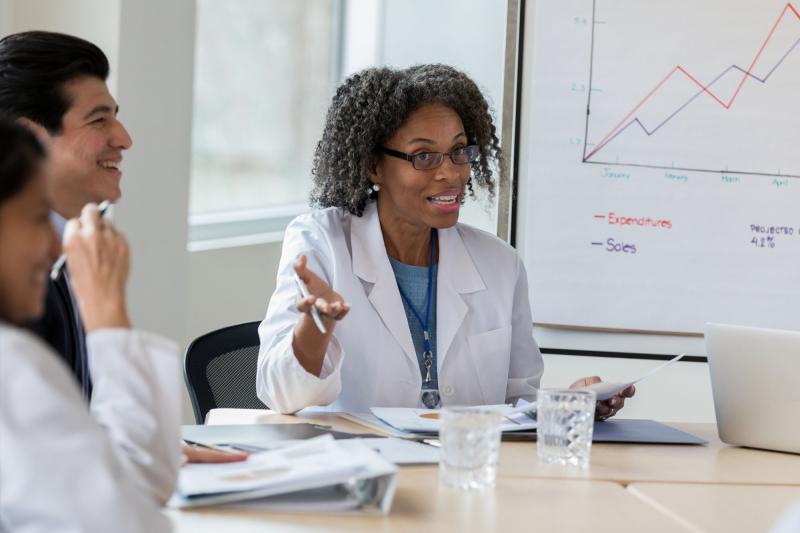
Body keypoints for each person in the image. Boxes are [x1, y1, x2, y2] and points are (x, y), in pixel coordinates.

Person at [257, 64, 635, 416]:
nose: (451, 173)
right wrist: (318, 325)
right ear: (373, 165)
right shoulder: (321, 242)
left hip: (464, 472)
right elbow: (280, 395)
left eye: (458, 151)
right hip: (361, 475)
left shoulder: (501, 265)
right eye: (424, 156)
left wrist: (565, 407)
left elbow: (517, 404)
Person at [0, 31, 245, 464]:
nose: (124, 138)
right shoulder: (18, 277)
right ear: (30, 140)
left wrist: (158, 452)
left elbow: (72, 429)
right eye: (99, 120)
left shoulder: (70, 250)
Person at [0, 119, 177, 532]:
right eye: (37, 217)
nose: (56, 243)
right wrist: (108, 313)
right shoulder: (11, 363)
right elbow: (128, 515)